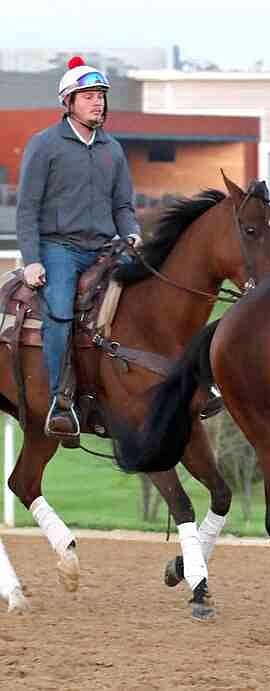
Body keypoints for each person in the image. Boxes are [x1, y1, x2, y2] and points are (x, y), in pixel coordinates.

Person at [16, 55, 141, 438]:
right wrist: (32, 260)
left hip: (106, 248)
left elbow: (122, 205)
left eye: (100, 96)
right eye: (88, 96)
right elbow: (27, 208)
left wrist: (132, 232)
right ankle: (61, 399)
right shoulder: (44, 145)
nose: (97, 102)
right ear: (68, 102)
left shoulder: (112, 149)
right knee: (59, 311)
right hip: (60, 249)